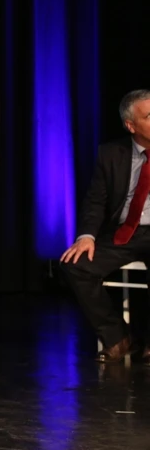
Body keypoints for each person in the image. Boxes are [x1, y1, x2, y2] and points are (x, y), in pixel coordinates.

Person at [61, 89, 150, 363]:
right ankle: (117, 337)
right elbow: (95, 201)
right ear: (131, 125)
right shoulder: (111, 154)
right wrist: (86, 235)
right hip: (126, 232)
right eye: (149, 116)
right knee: (76, 265)